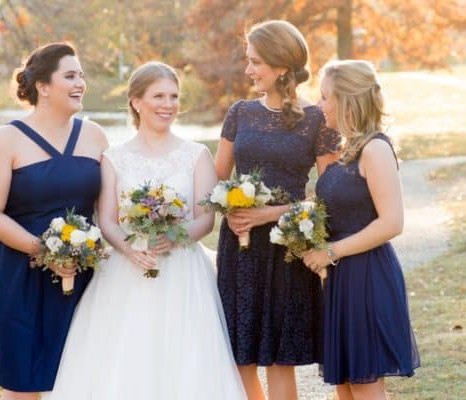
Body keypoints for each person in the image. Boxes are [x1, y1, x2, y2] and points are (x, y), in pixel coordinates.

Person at [42, 61, 247, 400]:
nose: (168, 105)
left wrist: (174, 237)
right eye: (158, 96)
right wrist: (129, 249)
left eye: (174, 96)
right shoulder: (114, 157)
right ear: (137, 102)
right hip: (126, 266)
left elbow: (204, 219)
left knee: (185, 356)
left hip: (182, 269)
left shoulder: (197, 155)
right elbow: (106, 219)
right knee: (125, 355)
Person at [215, 20, 341, 400]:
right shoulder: (239, 112)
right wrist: (229, 205)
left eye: (256, 62)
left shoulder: (317, 121)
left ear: (282, 66)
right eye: (248, 61)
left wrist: (270, 214)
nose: (248, 69)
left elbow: (330, 194)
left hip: (285, 246)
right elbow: (216, 176)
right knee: (239, 356)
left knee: (278, 360)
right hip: (239, 246)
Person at [0, 43, 108, 399]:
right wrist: (45, 251)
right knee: (23, 383)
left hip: (83, 275)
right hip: (20, 276)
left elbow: (107, 209)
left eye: (81, 75)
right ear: (43, 86)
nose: (80, 82)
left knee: (80, 377)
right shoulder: (6, 140)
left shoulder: (95, 135)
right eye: (70, 75)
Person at [303, 59, 420, 400]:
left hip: (368, 276)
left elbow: (392, 222)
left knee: (365, 385)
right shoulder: (346, 149)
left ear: (347, 100)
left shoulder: (375, 149)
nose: (319, 105)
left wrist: (331, 251)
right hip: (342, 278)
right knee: (346, 385)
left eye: (325, 97)